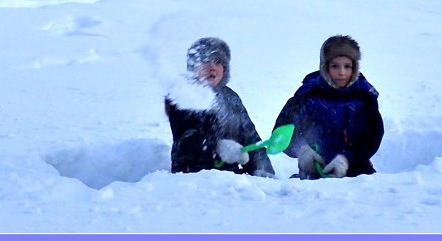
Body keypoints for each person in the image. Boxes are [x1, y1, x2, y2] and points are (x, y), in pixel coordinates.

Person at [273, 34, 384, 179]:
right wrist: (302, 150)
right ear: (325, 66)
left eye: (347, 66)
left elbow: (372, 136)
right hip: (314, 170)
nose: (342, 72)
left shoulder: (364, 98)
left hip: (358, 172)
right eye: (335, 66)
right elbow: (282, 132)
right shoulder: (307, 96)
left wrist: (348, 158)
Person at [164, 37, 274, 176]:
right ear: (193, 66)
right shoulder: (183, 95)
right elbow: (186, 142)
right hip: (191, 176)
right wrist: (217, 148)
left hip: (230, 176)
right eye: (205, 61)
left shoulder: (230, 97)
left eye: (217, 62)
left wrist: (262, 169)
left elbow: (250, 137)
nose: (212, 67)